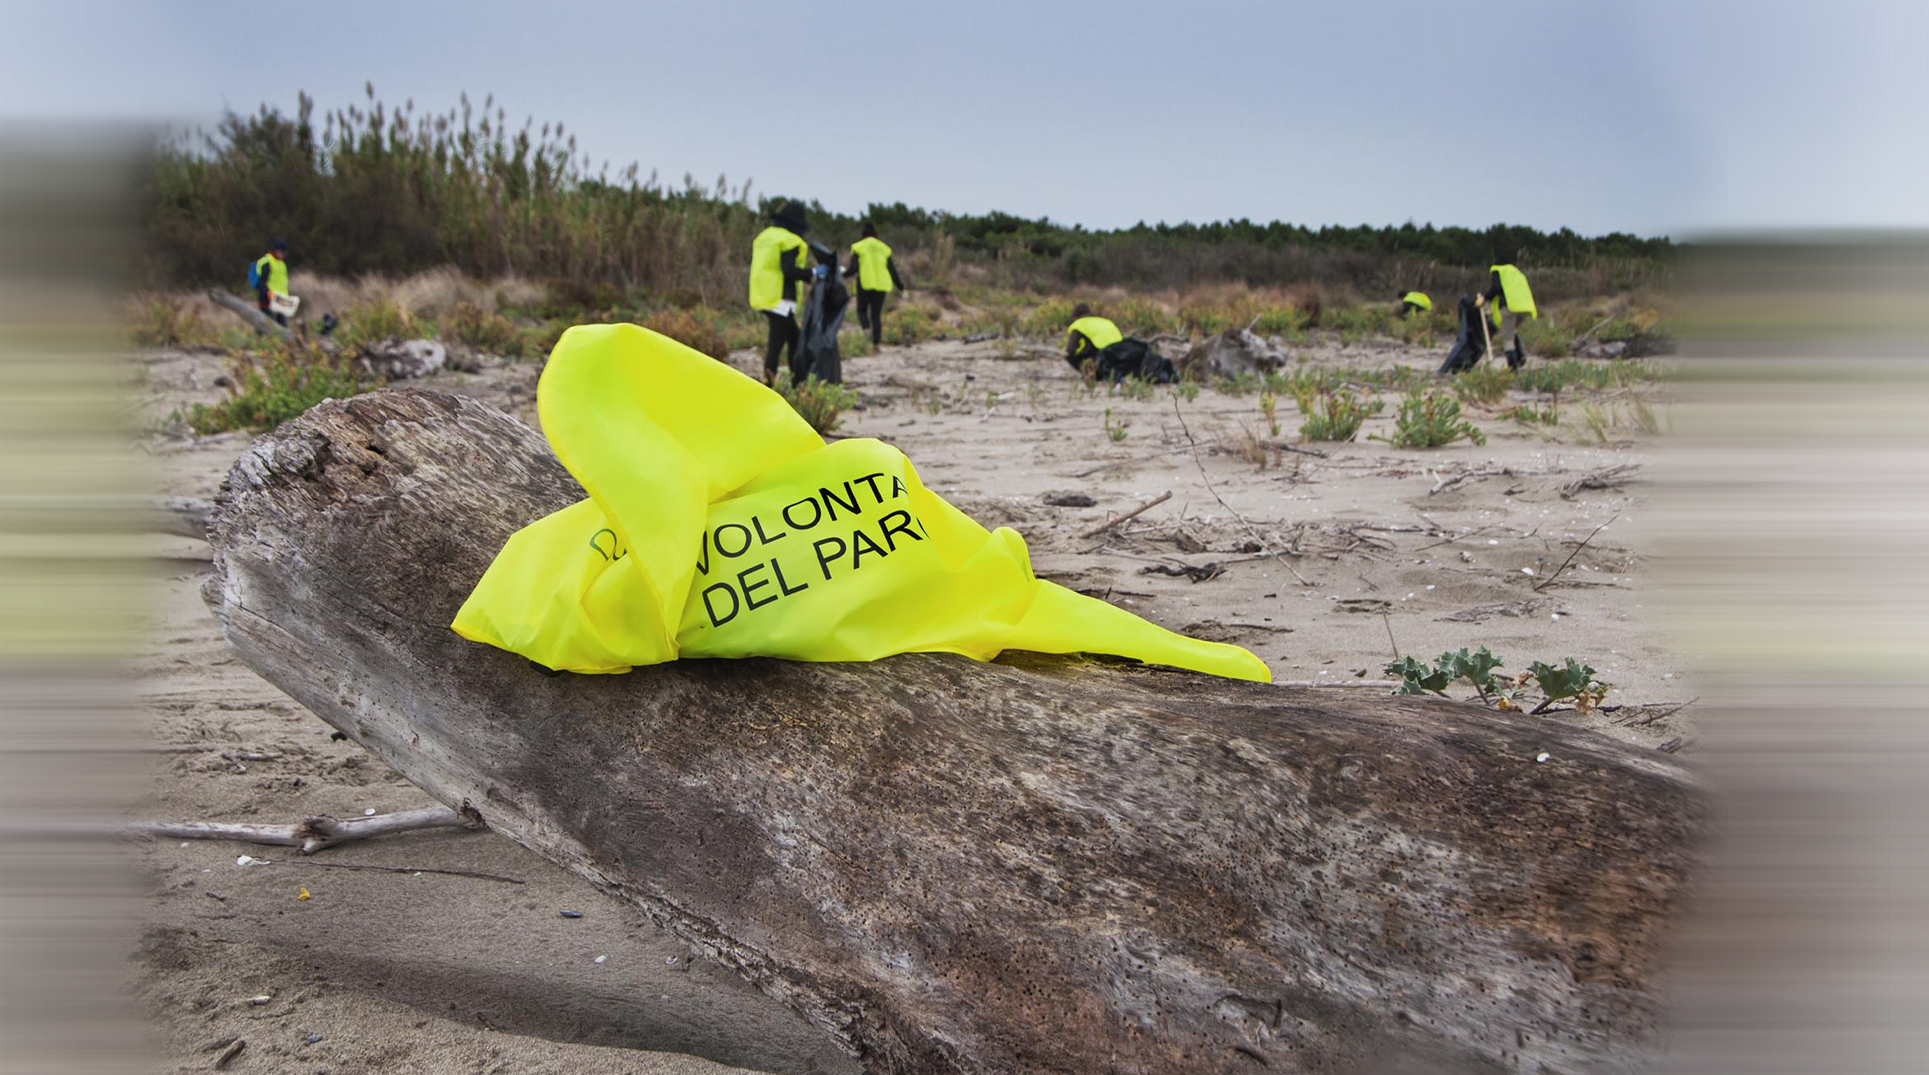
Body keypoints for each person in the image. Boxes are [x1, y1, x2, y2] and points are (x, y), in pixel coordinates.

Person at [748, 202, 817, 384]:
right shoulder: (789, 240)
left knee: (794, 337)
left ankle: (798, 380)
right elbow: (788, 270)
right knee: (777, 344)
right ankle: (770, 384)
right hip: (781, 299)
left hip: (764, 296)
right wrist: (813, 273)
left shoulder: (764, 237)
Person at [845, 222, 905, 348]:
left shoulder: (858, 247)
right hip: (882, 285)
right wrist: (900, 286)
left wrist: (841, 274)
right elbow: (892, 270)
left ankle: (867, 331)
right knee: (876, 314)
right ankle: (876, 342)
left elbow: (853, 269)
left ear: (863, 235)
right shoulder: (884, 248)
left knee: (861, 310)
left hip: (865, 284)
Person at [1475, 261, 1537, 369]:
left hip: (1510, 307)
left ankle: (1513, 368)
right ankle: (1521, 357)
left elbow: (1496, 288)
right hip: (1524, 308)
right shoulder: (1515, 272)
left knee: (1507, 338)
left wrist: (1485, 298)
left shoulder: (1497, 270)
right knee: (1511, 330)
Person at [1063, 303, 1123, 372]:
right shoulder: (1106, 322)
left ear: (1076, 317)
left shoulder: (1079, 324)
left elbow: (1070, 349)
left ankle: (1091, 374)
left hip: (1102, 357)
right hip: (1120, 356)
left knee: (1070, 357)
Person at [252, 238, 290, 326]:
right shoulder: (267, 262)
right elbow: (261, 282)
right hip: (267, 300)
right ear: (277, 251)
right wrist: (268, 293)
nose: (284, 255)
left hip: (280, 301)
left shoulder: (282, 264)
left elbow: (282, 283)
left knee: (282, 326)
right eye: (283, 252)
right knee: (267, 326)